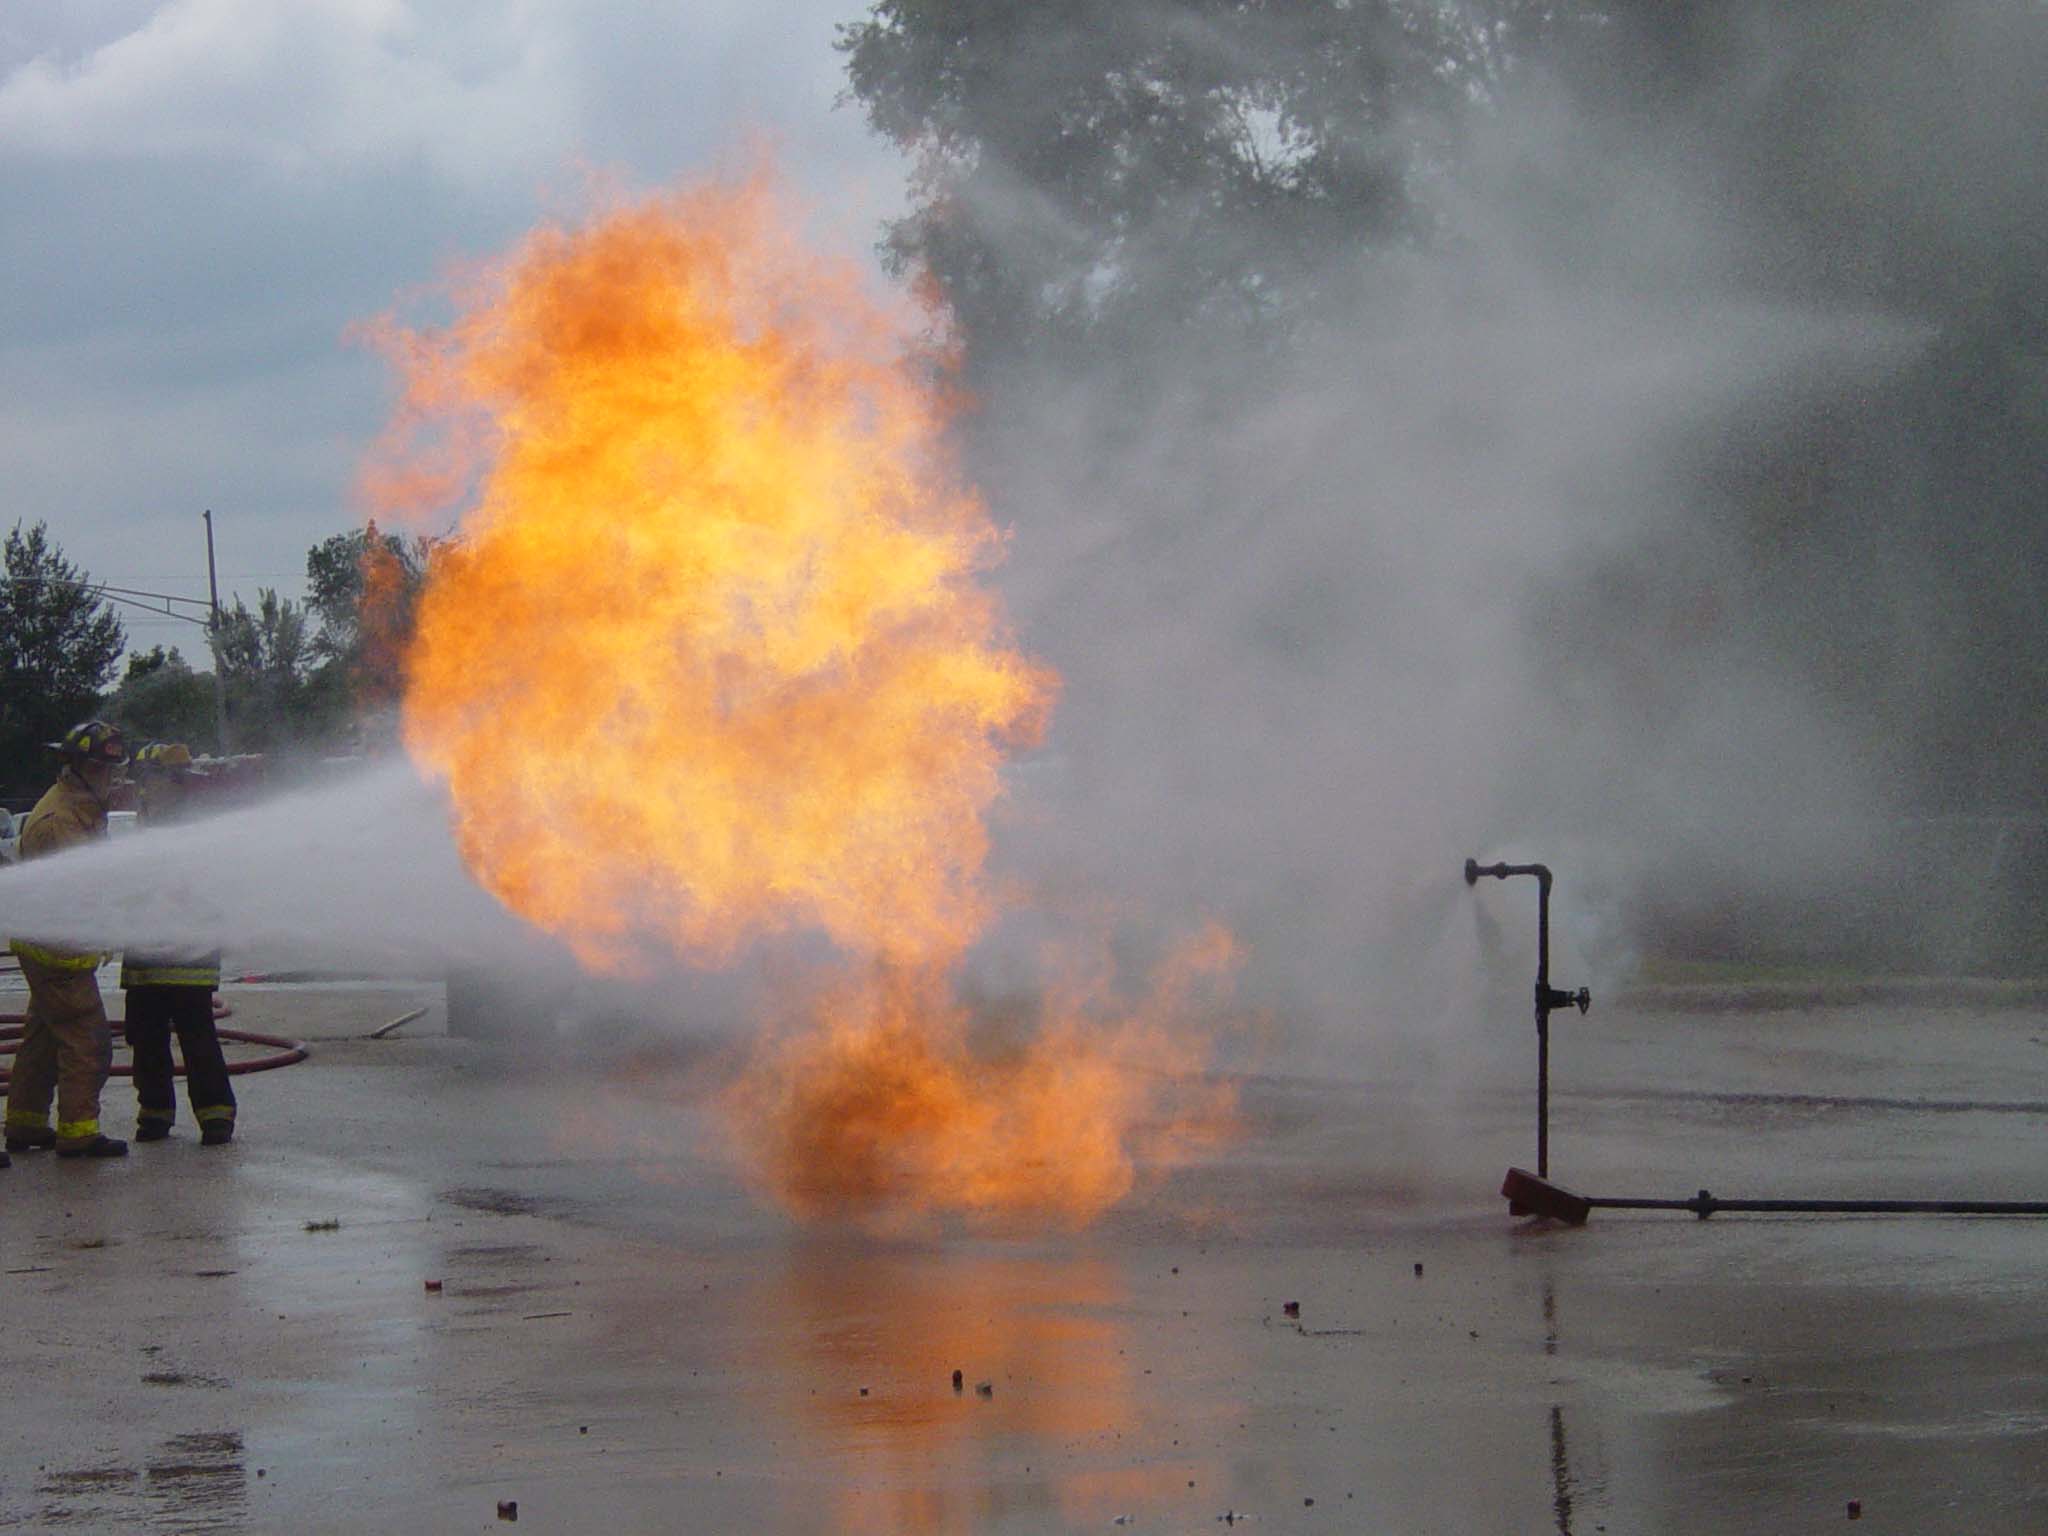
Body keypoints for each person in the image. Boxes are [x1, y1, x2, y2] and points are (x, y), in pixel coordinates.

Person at [4, 720, 129, 1159]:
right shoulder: (59, 822)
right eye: (106, 771)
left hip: (57, 947)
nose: (113, 781)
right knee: (87, 1038)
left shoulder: (81, 809)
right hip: (58, 953)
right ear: (79, 768)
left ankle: (23, 1124)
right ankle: (78, 1132)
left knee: (42, 1038)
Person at [122, 743, 235, 1145]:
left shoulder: (187, 826)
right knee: (149, 1040)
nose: (142, 787)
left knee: (195, 1039)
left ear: (165, 780)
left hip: (183, 955)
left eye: (147, 778)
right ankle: (157, 1115)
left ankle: (214, 1118)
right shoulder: (153, 821)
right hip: (150, 957)